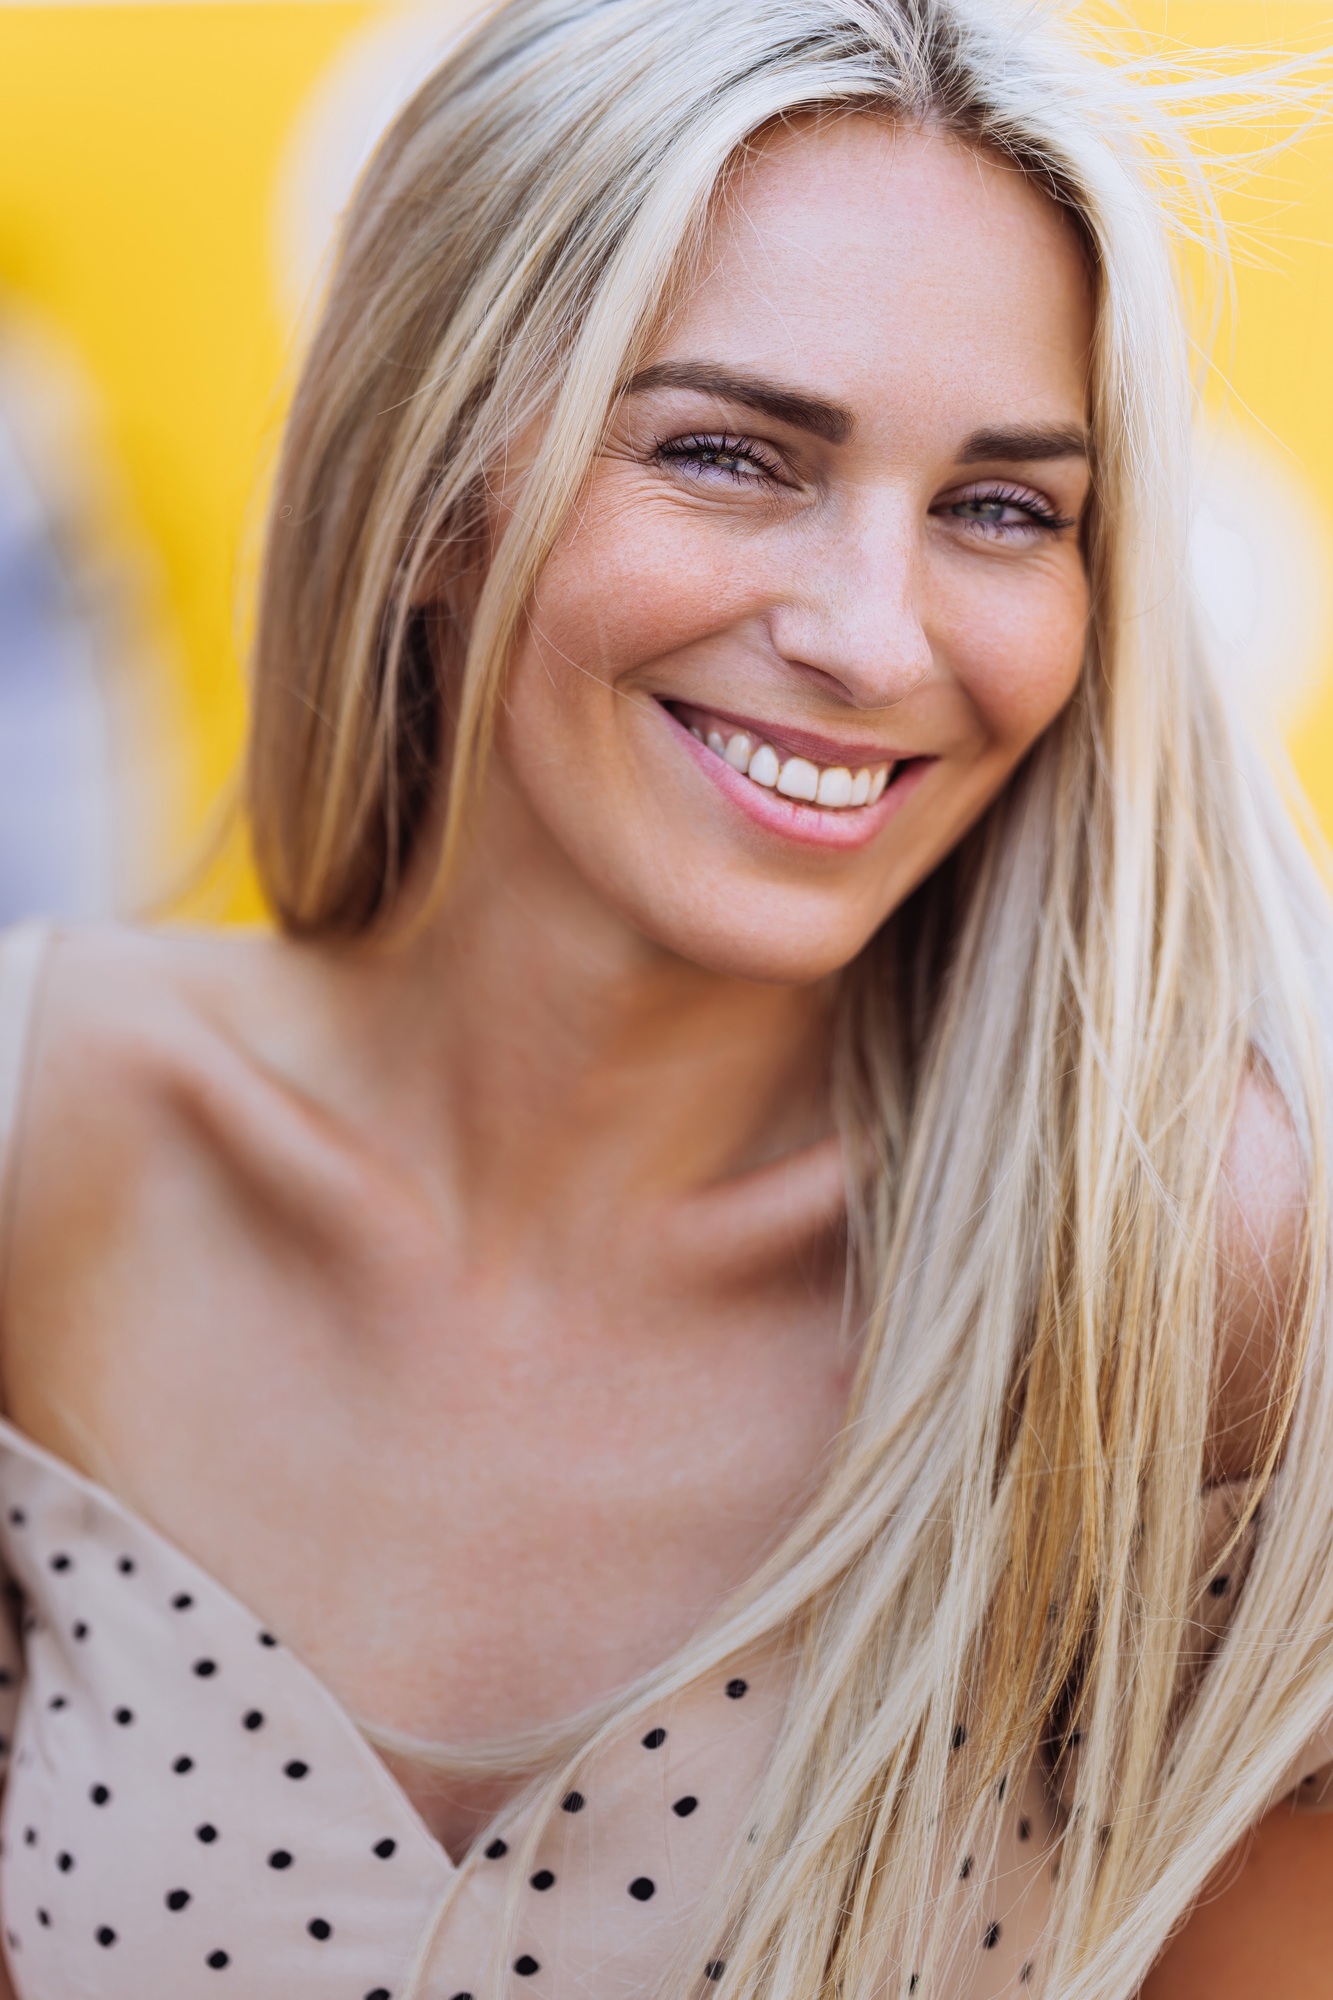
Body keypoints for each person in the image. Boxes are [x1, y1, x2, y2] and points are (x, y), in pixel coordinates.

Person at [0, 0, 1330, 1994]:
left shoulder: (1191, 1260)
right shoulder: (48, 1138)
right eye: (729, 453)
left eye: (999, 507)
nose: (874, 634)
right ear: (440, 468)